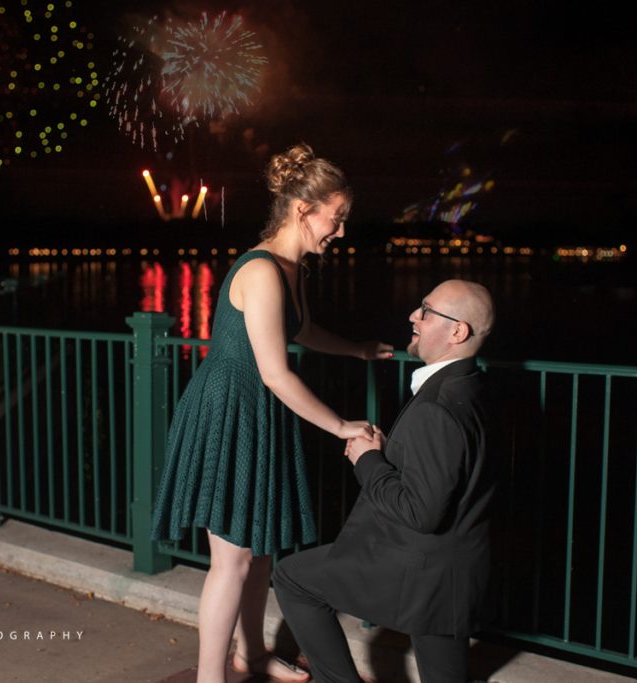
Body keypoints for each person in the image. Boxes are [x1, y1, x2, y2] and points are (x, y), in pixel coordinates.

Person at [151, 143, 393, 683]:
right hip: (228, 414)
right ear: (303, 210)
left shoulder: (293, 269)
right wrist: (341, 426)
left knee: (259, 552)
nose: (342, 231)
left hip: (259, 415)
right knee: (232, 561)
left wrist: (356, 349)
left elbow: (299, 331)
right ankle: (211, 679)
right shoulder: (260, 271)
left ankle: (251, 655)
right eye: (337, 218)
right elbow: (276, 373)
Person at [273, 279, 497, 683]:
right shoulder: (474, 386)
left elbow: (421, 511)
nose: (413, 315)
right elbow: (453, 469)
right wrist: (392, 452)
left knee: (292, 578)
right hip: (457, 571)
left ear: (457, 331)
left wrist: (369, 460)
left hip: (418, 568)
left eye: (426, 311)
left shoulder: (438, 407)